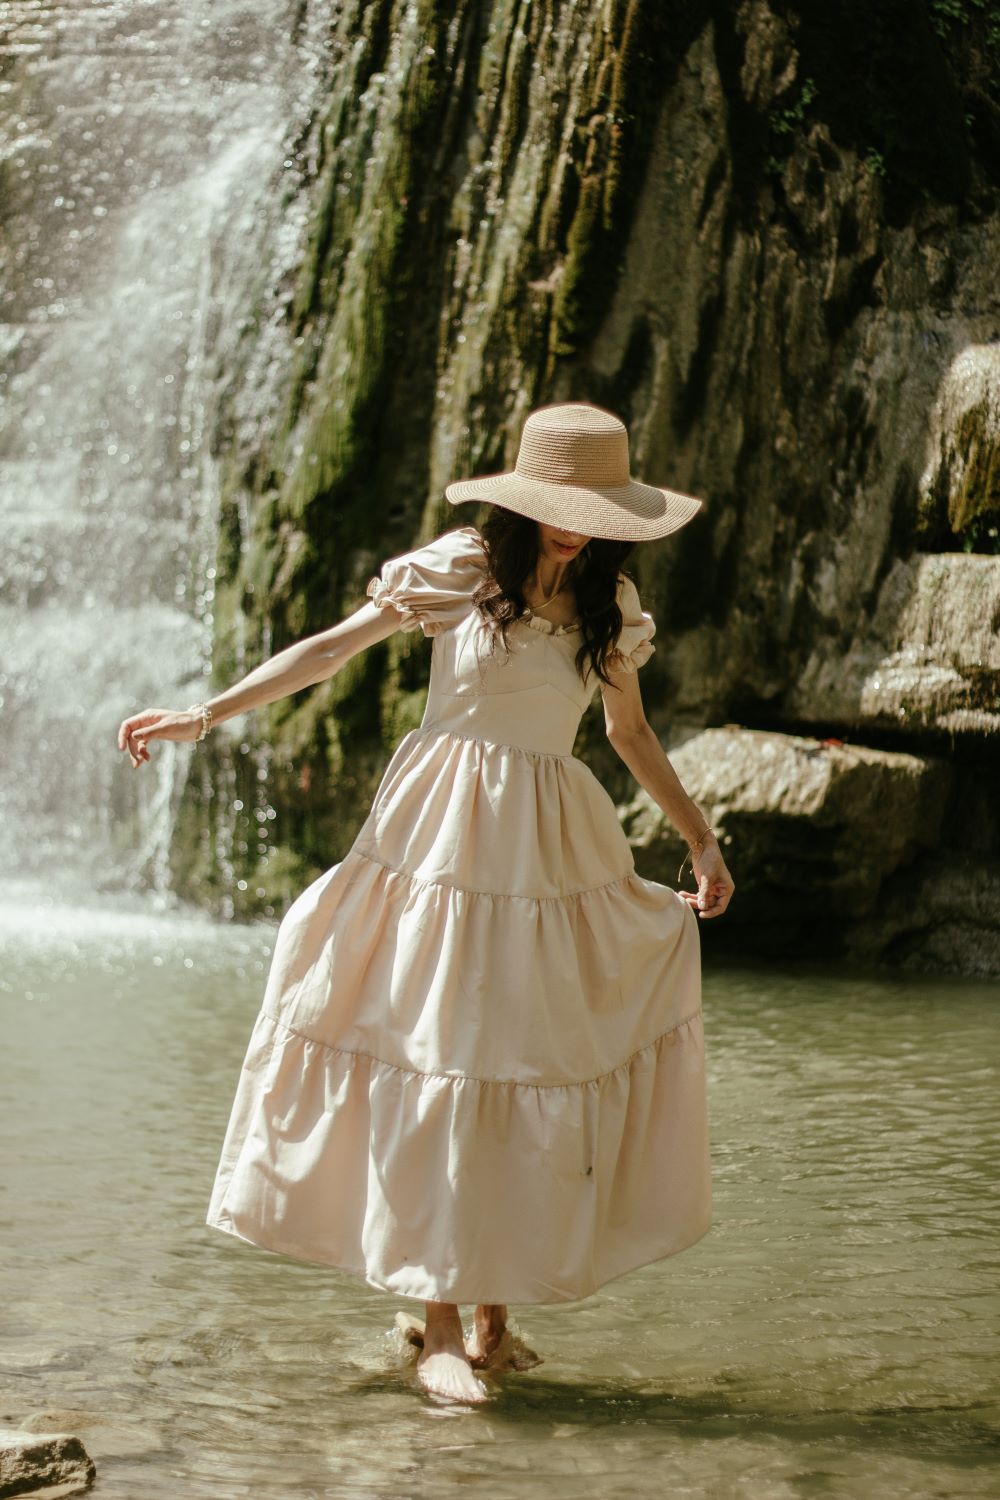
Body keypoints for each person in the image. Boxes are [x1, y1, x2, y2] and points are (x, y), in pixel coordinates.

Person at [118, 401, 735, 1406]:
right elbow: (332, 649)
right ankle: (437, 1322)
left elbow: (626, 734)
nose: (573, 525)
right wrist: (207, 712)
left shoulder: (608, 606)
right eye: (558, 505)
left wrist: (700, 835)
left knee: (523, 1058)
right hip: (439, 834)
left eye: (593, 509)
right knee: (437, 1052)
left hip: (550, 845)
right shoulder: (463, 571)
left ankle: (493, 1314)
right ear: (524, 500)